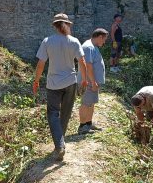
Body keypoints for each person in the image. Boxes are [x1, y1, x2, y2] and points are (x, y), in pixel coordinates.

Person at [33, 13, 91, 160]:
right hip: (70, 82)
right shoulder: (74, 41)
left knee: (53, 113)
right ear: (67, 25)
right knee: (65, 113)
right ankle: (60, 143)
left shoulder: (47, 41)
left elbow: (41, 64)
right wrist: (84, 80)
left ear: (55, 26)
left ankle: (59, 145)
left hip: (53, 84)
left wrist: (36, 81)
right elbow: (82, 62)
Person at [78, 28, 109, 135]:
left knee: (91, 103)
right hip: (89, 81)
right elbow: (88, 66)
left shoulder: (93, 46)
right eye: (104, 39)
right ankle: (82, 127)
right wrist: (93, 81)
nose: (104, 42)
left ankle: (88, 123)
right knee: (86, 103)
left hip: (92, 81)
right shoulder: (88, 47)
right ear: (100, 37)